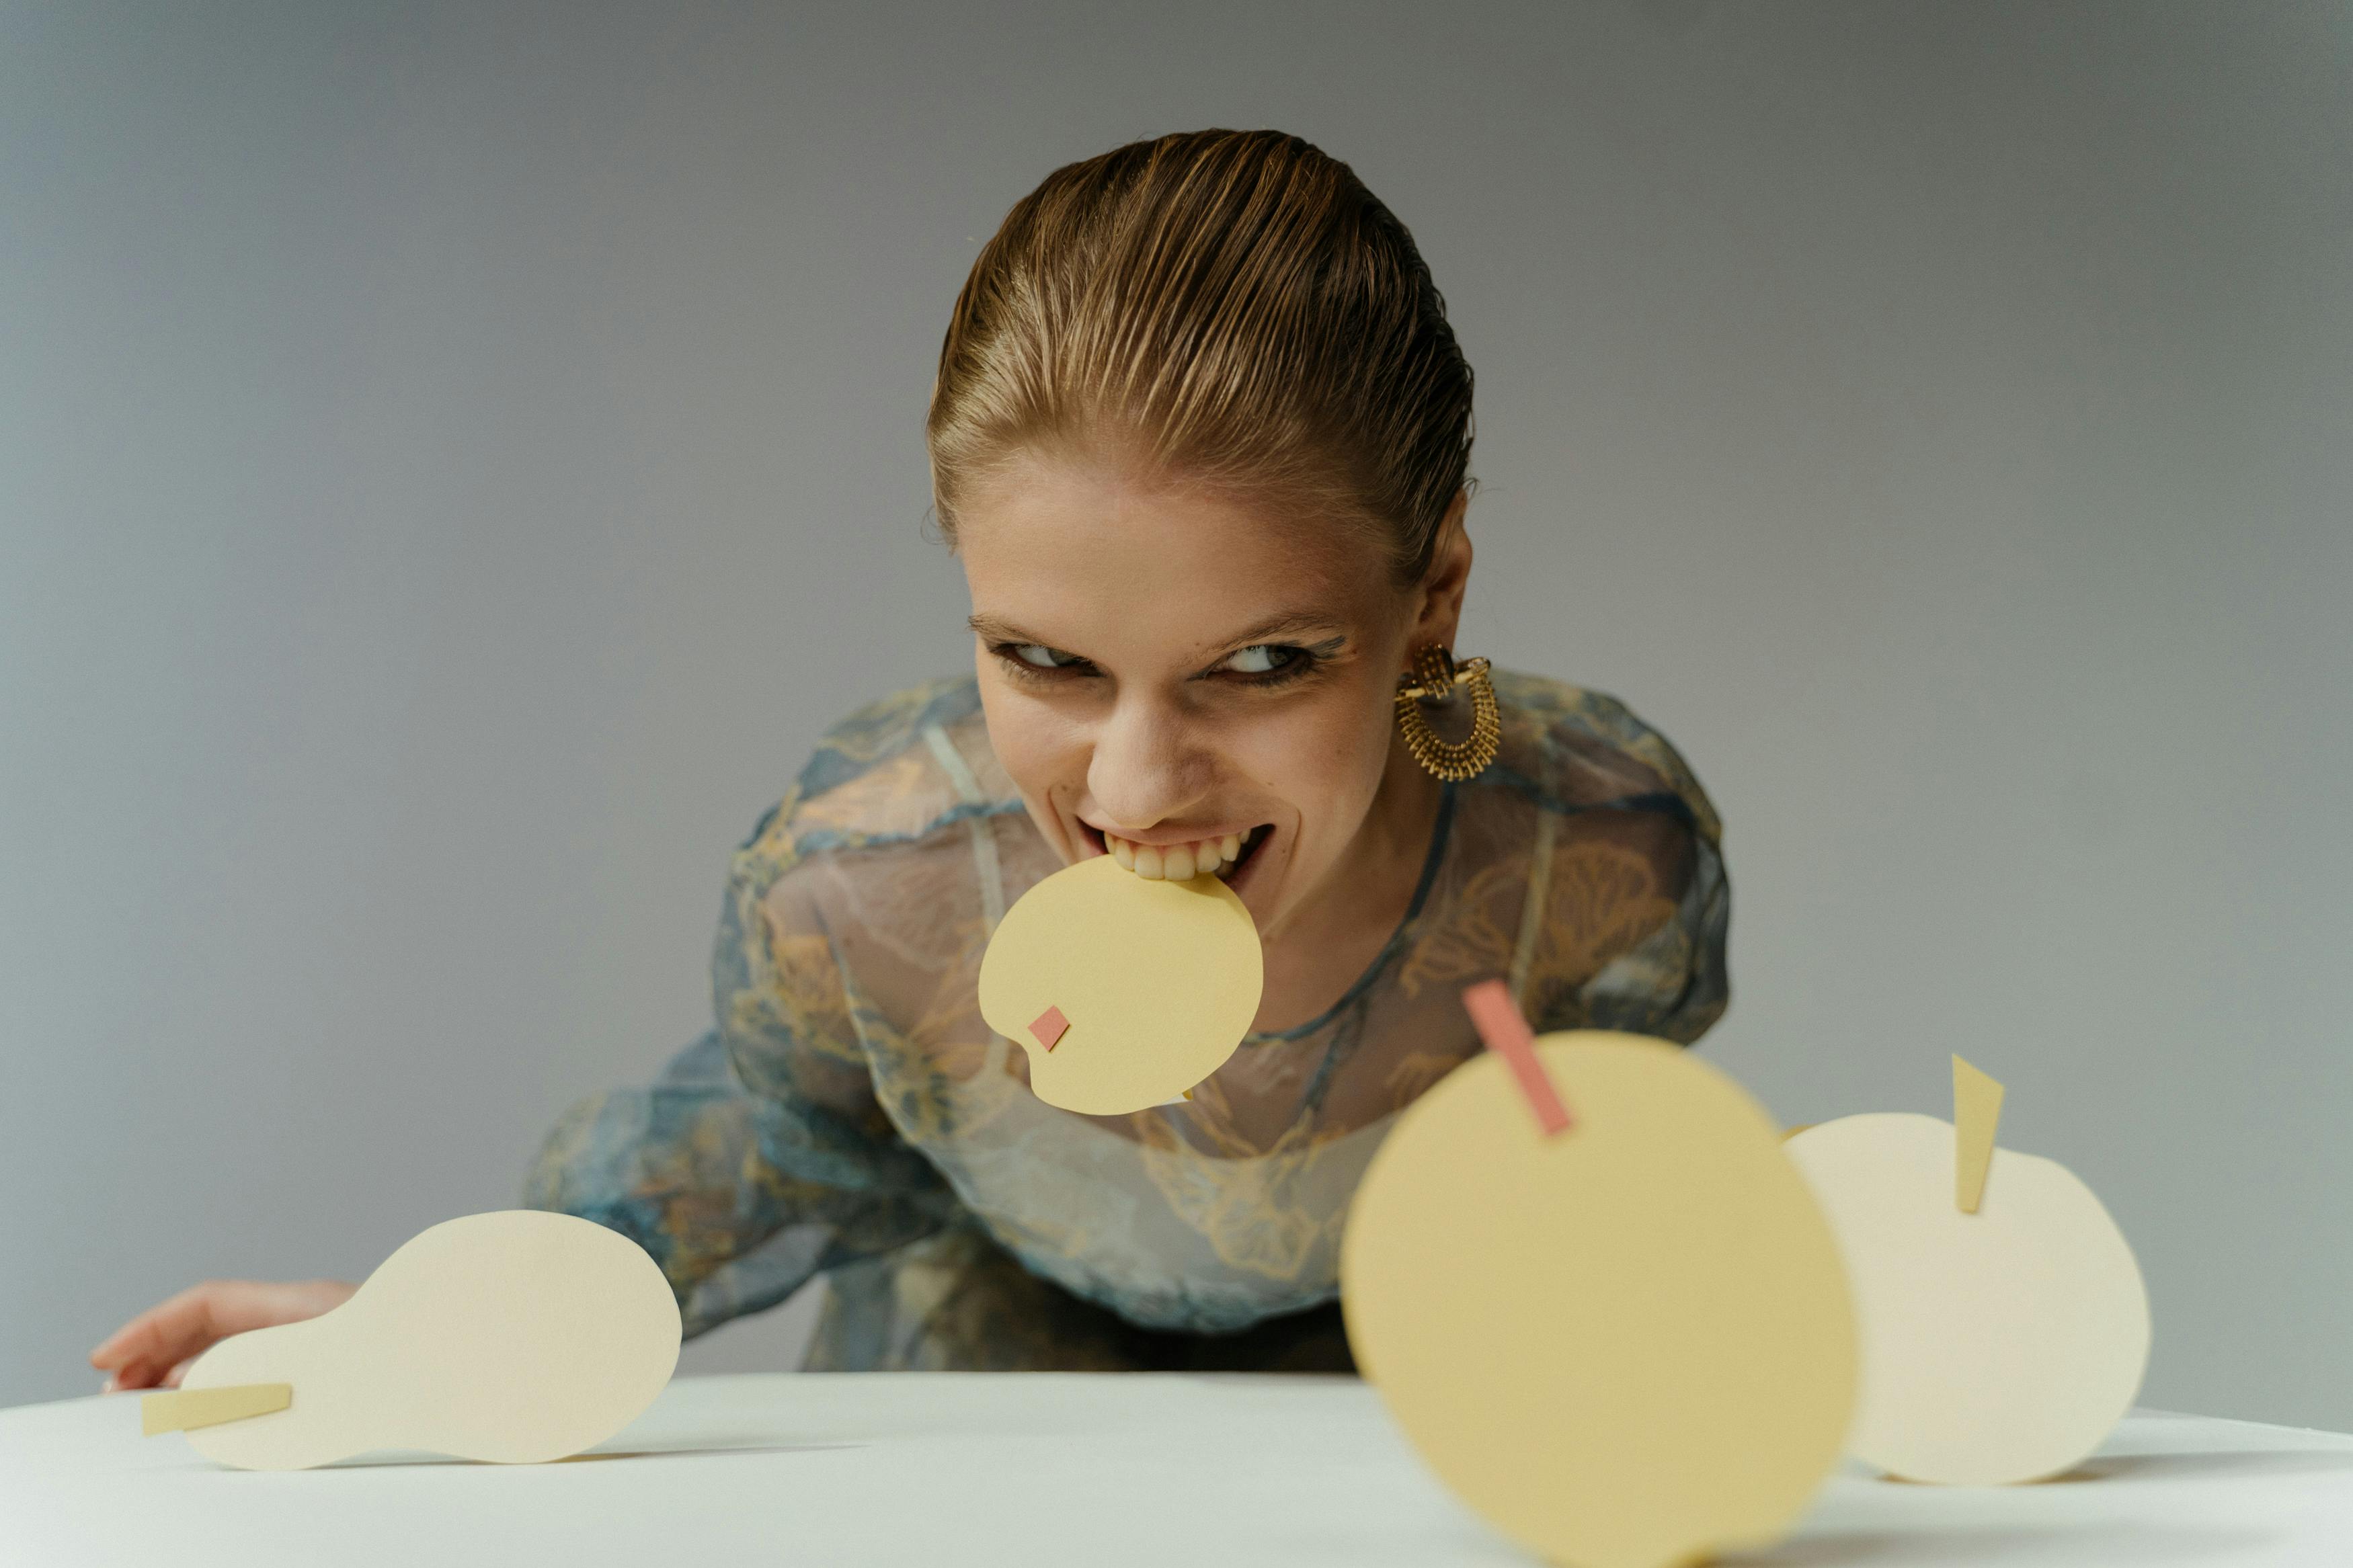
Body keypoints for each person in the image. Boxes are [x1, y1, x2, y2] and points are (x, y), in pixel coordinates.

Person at [92, 128, 1728, 1386]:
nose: (1139, 787)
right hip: (982, 1420)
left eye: (1260, 665)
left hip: (1392, 1432)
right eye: (1045, 661)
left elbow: (1606, 1209)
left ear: (1432, 587)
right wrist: (417, 1324)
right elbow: (754, 1163)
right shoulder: (862, 898)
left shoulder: (1596, 864)